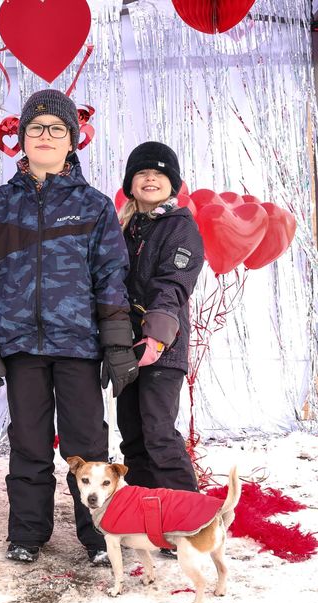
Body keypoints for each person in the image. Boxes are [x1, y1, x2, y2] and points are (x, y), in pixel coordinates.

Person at [0, 89, 138, 565]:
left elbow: (111, 278)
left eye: (56, 129)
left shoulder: (94, 205)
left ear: (72, 141)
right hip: (20, 344)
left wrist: (117, 345)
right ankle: (26, 532)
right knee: (28, 441)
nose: (46, 136)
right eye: (36, 128)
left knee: (88, 444)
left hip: (78, 345)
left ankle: (98, 536)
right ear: (21, 139)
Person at [115, 141, 205, 531]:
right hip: (126, 346)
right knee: (132, 435)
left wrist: (157, 336)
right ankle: (150, 515)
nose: (150, 178)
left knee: (158, 431)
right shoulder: (125, 228)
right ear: (130, 185)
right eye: (142, 173)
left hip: (162, 349)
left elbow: (173, 284)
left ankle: (190, 520)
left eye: (159, 174)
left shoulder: (180, 227)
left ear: (173, 184)